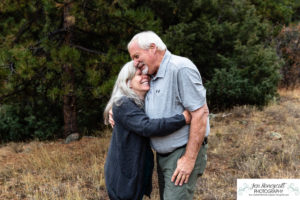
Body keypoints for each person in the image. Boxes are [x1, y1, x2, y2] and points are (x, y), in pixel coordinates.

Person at [126, 31, 210, 200]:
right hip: (163, 157)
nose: (134, 63)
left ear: (152, 48)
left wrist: (188, 159)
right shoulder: (151, 75)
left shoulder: (180, 68)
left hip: (181, 153)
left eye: (136, 56)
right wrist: (115, 108)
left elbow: (200, 113)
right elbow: (131, 93)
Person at [103, 61, 191, 200]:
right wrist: (182, 119)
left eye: (146, 74)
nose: (145, 77)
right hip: (123, 177)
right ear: (128, 83)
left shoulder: (140, 104)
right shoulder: (123, 104)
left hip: (132, 173)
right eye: (139, 75)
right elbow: (147, 126)